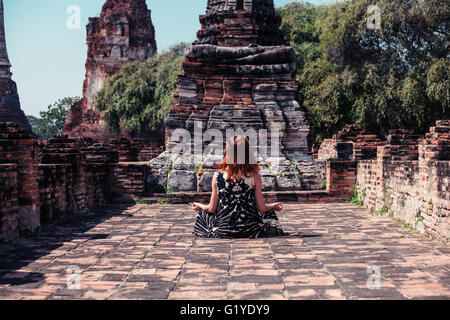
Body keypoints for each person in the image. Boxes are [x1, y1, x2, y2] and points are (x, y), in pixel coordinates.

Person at [192, 135, 286, 239]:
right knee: (269, 215)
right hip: (250, 230)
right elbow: (262, 209)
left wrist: (199, 206)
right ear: (247, 153)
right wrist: (274, 206)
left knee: (203, 215)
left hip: (224, 230)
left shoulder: (217, 176)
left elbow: (211, 209)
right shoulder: (255, 176)